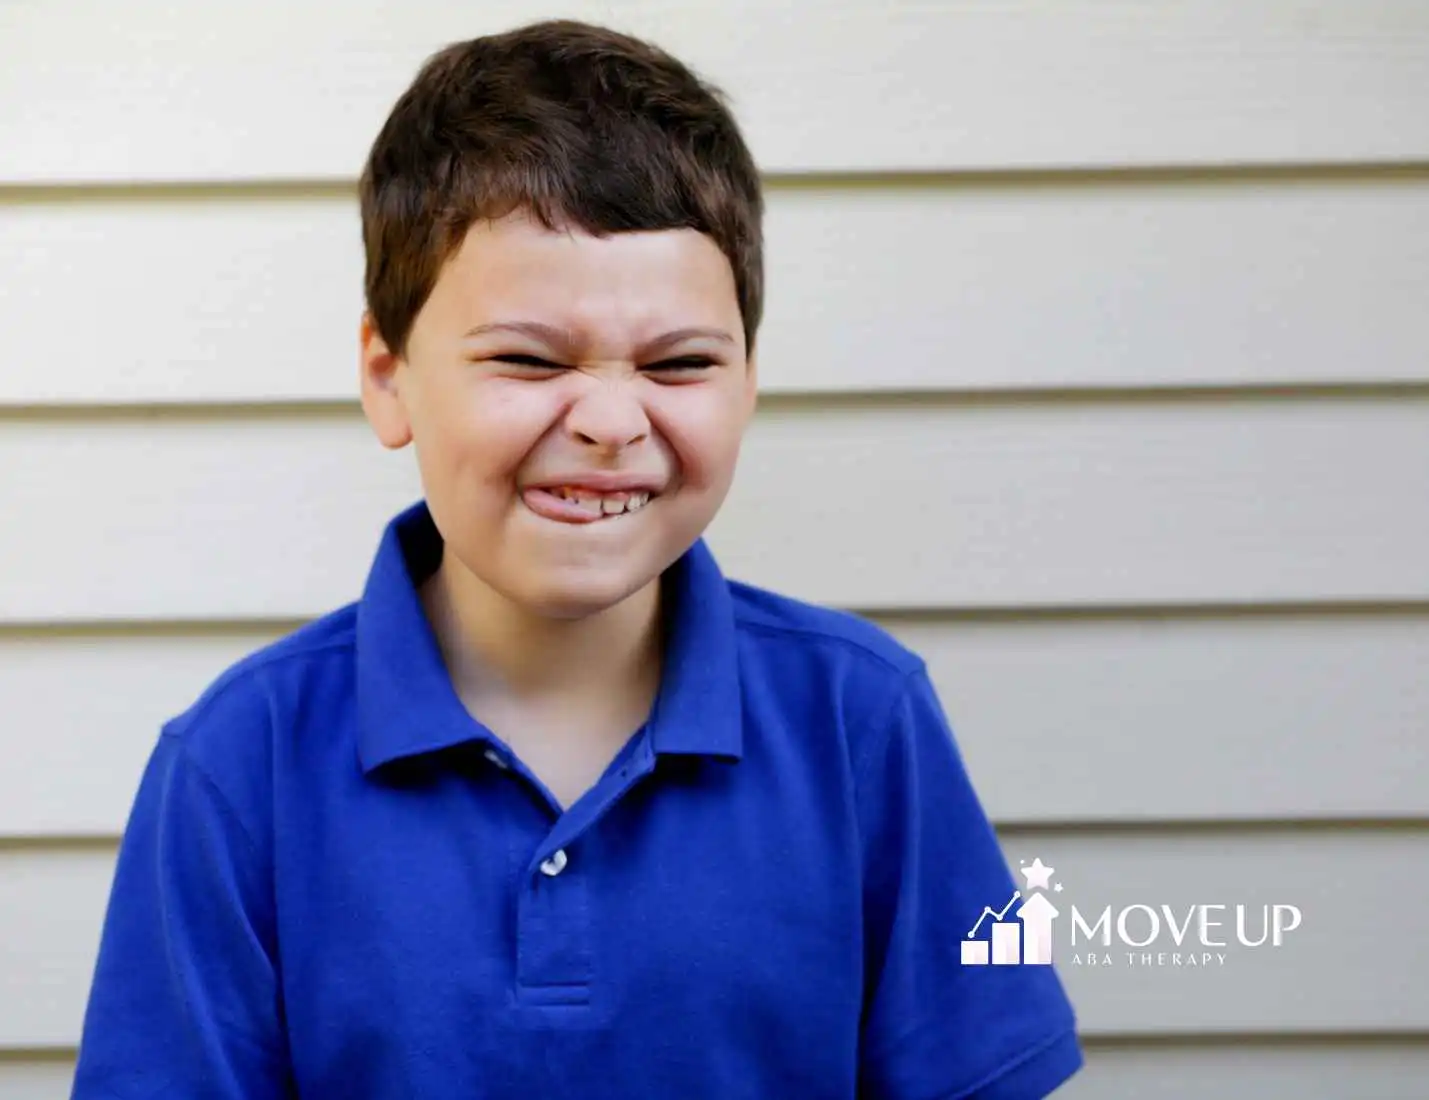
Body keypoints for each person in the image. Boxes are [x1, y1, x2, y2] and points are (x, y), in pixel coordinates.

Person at [70, 18, 1083, 1099]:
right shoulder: (239, 764)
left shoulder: (863, 718)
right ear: (388, 375)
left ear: (748, 379)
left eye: (678, 363)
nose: (609, 420)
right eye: (526, 358)